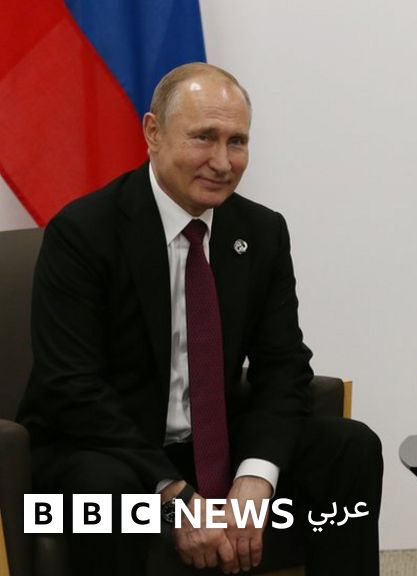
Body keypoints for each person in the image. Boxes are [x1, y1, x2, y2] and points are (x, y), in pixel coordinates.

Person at [17, 62, 383, 575]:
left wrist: (255, 478)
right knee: (104, 489)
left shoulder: (261, 232)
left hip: (213, 452)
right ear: (153, 133)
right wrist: (174, 497)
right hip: (94, 462)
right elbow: (71, 388)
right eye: (204, 137)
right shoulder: (83, 232)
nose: (222, 162)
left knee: (350, 446)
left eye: (237, 142)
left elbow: (283, 367)